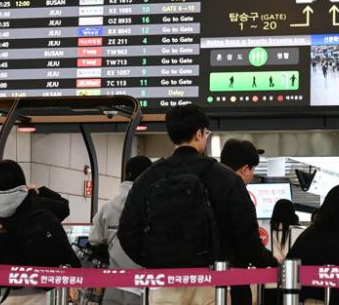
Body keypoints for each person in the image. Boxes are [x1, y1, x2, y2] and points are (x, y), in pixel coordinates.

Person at [118, 104, 276, 305]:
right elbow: (246, 236)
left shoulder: (148, 178)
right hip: (212, 285)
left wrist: (154, 261)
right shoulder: (225, 178)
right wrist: (269, 262)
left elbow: (127, 232)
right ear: (200, 133)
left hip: (164, 285)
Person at [0, 160, 80, 305]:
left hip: (4, 289)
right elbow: (64, 207)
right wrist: (39, 190)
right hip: (38, 290)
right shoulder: (34, 202)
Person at [89, 156, 152, 305]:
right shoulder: (151, 204)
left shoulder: (108, 207)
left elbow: (94, 239)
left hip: (114, 278)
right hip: (142, 281)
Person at [219, 139, 264, 305]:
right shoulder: (239, 194)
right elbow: (247, 239)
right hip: (236, 278)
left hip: (209, 278)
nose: (252, 175)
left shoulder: (208, 186)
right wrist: (268, 260)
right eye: (253, 169)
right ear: (245, 169)